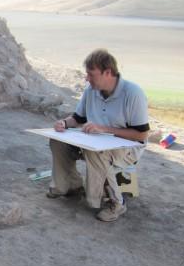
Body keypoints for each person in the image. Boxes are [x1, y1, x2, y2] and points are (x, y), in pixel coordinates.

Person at [47, 49, 149, 222]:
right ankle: (70, 185)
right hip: (94, 141)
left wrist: (104, 129)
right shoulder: (91, 90)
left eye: (91, 74)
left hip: (128, 147)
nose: (87, 78)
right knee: (58, 142)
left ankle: (116, 203)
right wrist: (64, 123)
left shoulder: (133, 93)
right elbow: (78, 118)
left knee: (97, 152)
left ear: (107, 72)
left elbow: (141, 134)